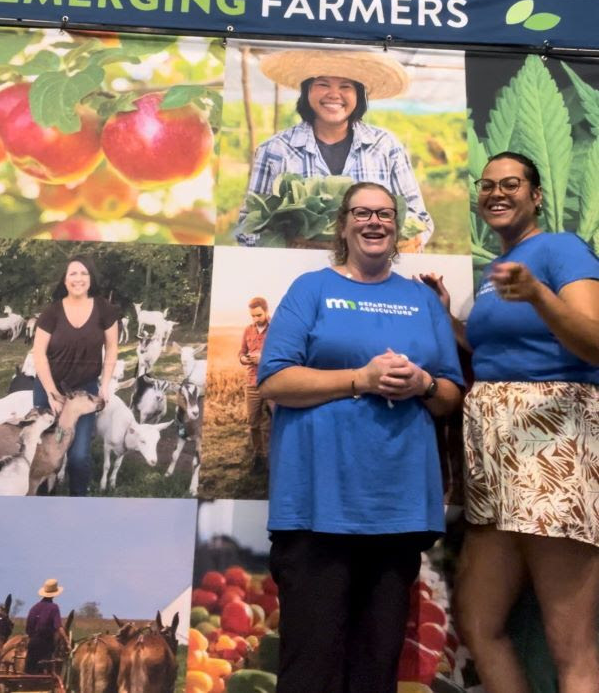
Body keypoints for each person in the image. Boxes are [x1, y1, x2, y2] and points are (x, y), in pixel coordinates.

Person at [257, 181, 463, 693]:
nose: (375, 222)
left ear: (396, 226)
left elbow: (449, 395)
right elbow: (274, 382)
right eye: (362, 213)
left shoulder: (421, 300)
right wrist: (360, 379)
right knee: (311, 669)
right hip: (315, 508)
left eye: (385, 214)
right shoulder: (311, 288)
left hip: (395, 510)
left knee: (375, 671)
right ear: (343, 225)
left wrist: (424, 383)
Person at [422, 151, 599, 693]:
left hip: (553, 449)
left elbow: (593, 340)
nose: (497, 193)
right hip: (495, 458)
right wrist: (449, 318)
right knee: (478, 620)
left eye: (511, 184)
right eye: (487, 185)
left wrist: (540, 294)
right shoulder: (497, 270)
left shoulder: (562, 249)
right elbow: (496, 351)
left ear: (536, 195)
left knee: (570, 642)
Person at [237, 48, 433, 249]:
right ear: (307, 91)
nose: (334, 94)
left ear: (359, 95)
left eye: (346, 86)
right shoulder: (275, 151)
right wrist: (287, 247)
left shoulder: (385, 146)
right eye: (323, 84)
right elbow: (248, 226)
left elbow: (420, 219)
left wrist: (396, 245)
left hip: (372, 273)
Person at [32, 255, 118, 496]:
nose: (78, 279)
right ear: (65, 279)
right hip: (49, 386)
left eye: (83, 273)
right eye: (73, 274)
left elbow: (112, 348)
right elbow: (38, 353)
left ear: (91, 278)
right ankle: (40, 500)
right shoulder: (52, 312)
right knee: (44, 452)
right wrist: (51, 393)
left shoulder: (105, 309)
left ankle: (79, 501)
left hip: (85, 390)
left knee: (79, 456)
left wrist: (106, 384)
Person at [238, 296, 272, 471]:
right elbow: (241, 353)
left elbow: (284, 354)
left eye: (259, 315)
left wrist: (262, 358)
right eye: (252, 316)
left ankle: (275, 458)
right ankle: (259, 457)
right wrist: (244, 359)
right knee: (253, 423)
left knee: (275, 421)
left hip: (273, 381)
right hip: (251, 382)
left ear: (266, 311)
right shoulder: (248, 330)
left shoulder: (277, 329)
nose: (255, 319)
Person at [24, 578, 71, 674]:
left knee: (29, 670)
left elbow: (28, 628)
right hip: (46, 644)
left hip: (32, 643)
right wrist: (67, 641)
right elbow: (59, 626)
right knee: (48, 667)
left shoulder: (34, 607)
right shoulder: (54, 607)